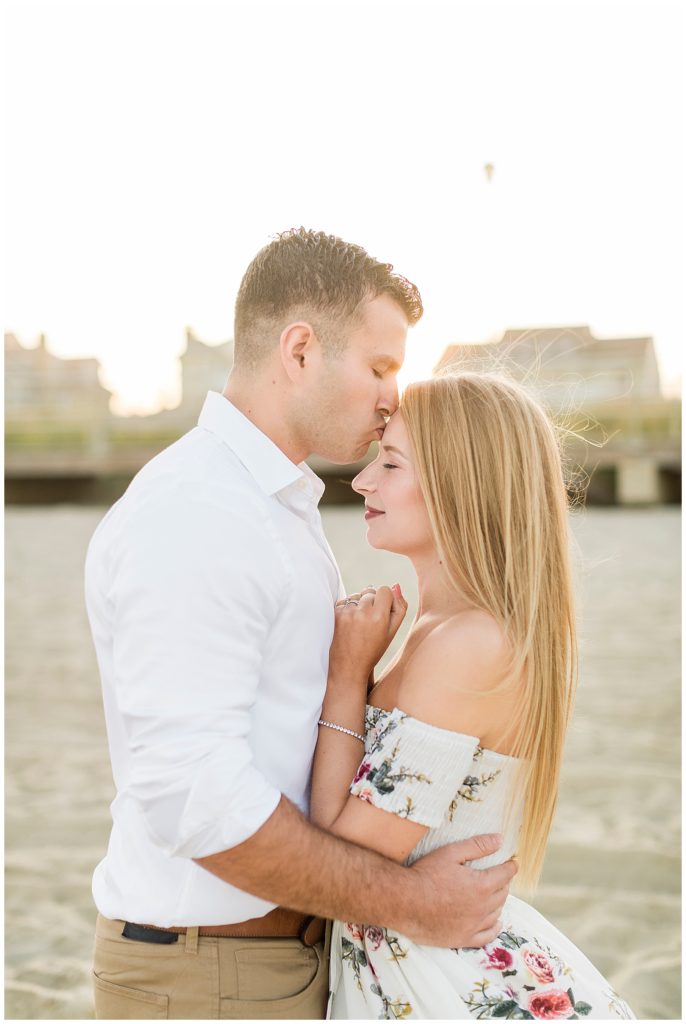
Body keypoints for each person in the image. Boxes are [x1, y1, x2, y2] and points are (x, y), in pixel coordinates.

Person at [84, 228, 517, 1020]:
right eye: (381, 366)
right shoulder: (200, 513)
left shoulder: (272, 508)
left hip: (271, 961)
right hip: (208, 978)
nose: (394, 393)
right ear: (301, 350)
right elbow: (192, 795)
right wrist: (413, 904)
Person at [310, 371, 636, 1020]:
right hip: (417, 964)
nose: (364, 480)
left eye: (392, 462)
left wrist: (348, 677)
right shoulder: (442, 630)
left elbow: (339, 865)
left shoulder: (469, 644)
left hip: (443, 981)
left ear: (464, 485)